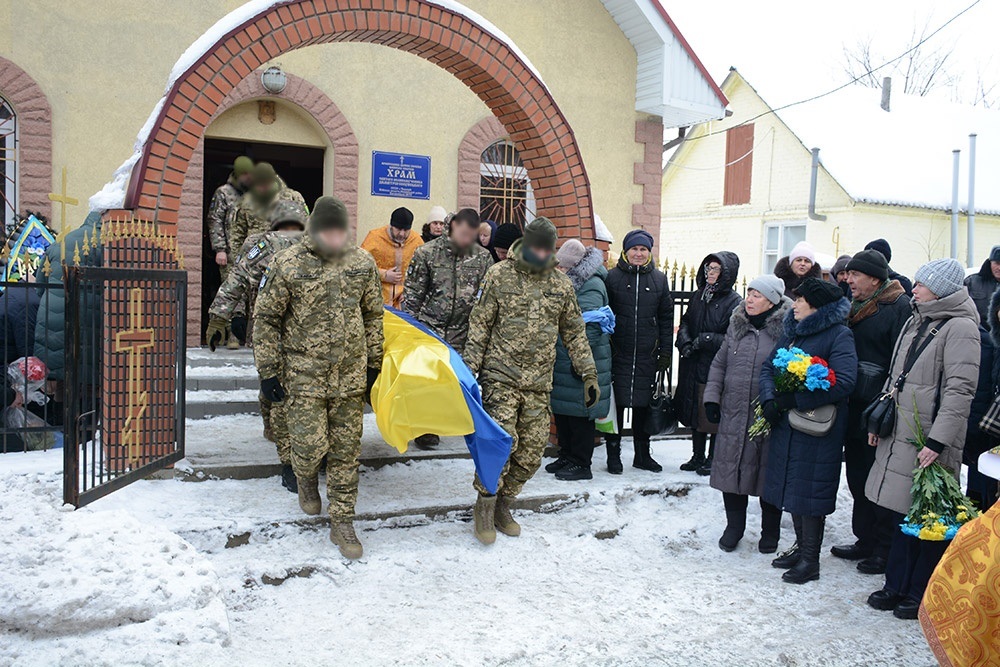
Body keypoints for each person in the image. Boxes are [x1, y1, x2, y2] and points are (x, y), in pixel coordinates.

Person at [252, 196, 384, 560]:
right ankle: (306, 477)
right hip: (304, 377)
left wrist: (375, 363)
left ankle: (342, 521)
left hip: (350, 376)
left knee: (346, 454)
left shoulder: (361, 261)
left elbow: (373, 314)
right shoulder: (287, 263)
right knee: (309, 449)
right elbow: (266, 320)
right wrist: (268, 371)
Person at [464, 217, 598, 545]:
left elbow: (574, 332)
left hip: (539, 382)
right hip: (501, 378)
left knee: (532, 453)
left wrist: (589, 373)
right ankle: (485, 505)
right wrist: (469, 374)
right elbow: (479, 325)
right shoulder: (499, 275)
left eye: (546, 249)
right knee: (499, 446)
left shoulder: (560, 285)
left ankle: (504, 504)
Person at [865, 258, 981, 619]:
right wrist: (878, 420)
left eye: (921, 283)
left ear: (942, 289)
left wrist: (937, 442)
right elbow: (895, 376)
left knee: (928, 518)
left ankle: (919, 591)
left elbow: (960, 391)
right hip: (899, 431)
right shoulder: (918, 318)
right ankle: (895, 584)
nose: (913, 289)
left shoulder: (961, 327)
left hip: (928, 439)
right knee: (902, 511)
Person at [205, 200, 307, 493]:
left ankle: (291, 458)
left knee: (278, 391)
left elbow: (236, 280)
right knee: (284, 391)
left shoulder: (264, 243)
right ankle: (292, 458)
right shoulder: (269, 244)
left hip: (284, 330)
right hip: (284, 331)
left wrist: (219, 317)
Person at [760, 278, 857, 584]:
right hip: (787, 424)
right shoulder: (793, 331)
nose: (795, 304)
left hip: (816, 427)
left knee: (810, 491)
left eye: (800, 300)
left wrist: (795, 398)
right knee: (791, 485)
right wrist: (770, 400)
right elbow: (768, 367)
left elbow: (843, 381)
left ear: (816, 306)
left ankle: (810, 561)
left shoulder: (839, 335)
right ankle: (800, 548)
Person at [829, 249, 910, 575]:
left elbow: (900, 359)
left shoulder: (898, 306)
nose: (848, 280)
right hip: (853, 403)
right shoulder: (852, 306)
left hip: (877, 407)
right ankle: (864, 538)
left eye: (855, 275)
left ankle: (883, 547)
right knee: (858, 475)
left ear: (875, 279)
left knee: (879, 480)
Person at [703, 274, 790, 553]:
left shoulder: (786, 331)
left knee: (767, 473)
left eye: (757, 295)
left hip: (767, 415)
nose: (749, 299)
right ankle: (734, 527)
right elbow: (719, 364)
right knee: (731, 471)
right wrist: (712, 399)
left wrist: (777, 403)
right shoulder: (736, 326)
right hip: (734, 411)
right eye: (749, 293)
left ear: (772, 301)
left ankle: (770, 532)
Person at [401, 208, 492, 449]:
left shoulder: (482, 258)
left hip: (464, 331)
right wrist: (412, 334)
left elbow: (486, 299)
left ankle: (453, 422)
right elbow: (411, 298)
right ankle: (425, 429)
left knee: (457, 383)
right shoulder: (426, 254)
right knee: (426, 383)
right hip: (431, 329)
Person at [605, 229, 673, 474]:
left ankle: (642, 455)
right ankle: (614, 455)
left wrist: (665, 352)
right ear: (626, 251)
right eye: (634, 249)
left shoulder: (659, 280)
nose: (638, 253)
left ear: (649, 253)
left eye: (643, 249)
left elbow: (666, 318)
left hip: (647, 354)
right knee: (617, 406)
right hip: (618, 353)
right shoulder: (611, 278)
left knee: (643, 407)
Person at [546, 239, 613, 481]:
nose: (559, 271)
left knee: (581, 412)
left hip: (583, 358)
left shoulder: (591, 285)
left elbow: (591, 326)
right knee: (564, 411)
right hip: (565, 355)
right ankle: (567, 454)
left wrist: (580, 360)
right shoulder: (571, 283)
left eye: (563, 267)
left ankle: (581, 463)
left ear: (575, 266)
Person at [675, 252, 741, 476]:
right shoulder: (698, 295)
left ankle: (713, 458)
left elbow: (733, 337)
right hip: (693, 360)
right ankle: (697, 456)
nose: (710, 273)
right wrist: (683, 341)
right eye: (708, 269)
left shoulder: (734, 301)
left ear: (726, 273)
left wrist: (705, 339)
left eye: (715, 269)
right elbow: (685, 321)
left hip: (714, 363)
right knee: (694, 409)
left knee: (711, 410)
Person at [228, 162, 306, 259]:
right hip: (256, 260)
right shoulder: (246, 202)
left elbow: (306, 228)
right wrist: (238, 260)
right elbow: (237, 233)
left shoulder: (293, 197)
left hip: (286, 258)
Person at [360, 207, 423, 309]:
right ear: (391, 225)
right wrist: (384, 275)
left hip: (403, 303)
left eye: (406, 230)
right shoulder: (374, 238)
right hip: (376, 300)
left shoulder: (417, 241)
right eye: (398, 229)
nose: (402, 234)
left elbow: (422, 272)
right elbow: (360, 267)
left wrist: (410, 291)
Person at [207, 155, 253, 276]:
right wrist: (220, 249)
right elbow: (215, 220)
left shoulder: (254, 194)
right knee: (230, 290)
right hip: (231, 253)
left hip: (251, 253)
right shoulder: (224, 192)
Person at [963, 244, 1000, 330]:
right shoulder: (971, 283)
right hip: (977, 335)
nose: (999, 268)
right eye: (997, 263)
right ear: (990, 262)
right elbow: (961, 309)